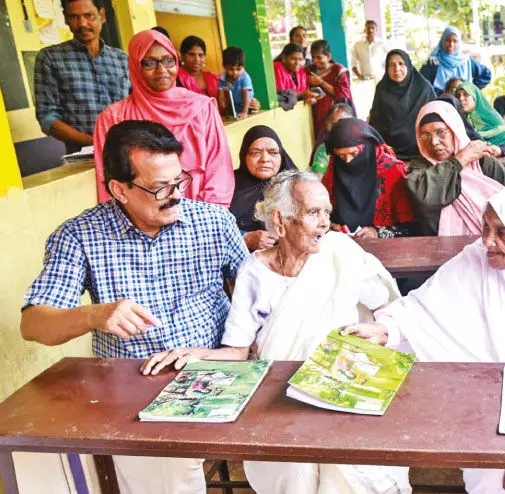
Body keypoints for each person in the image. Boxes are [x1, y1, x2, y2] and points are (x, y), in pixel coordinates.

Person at [140, 170, 412, 494]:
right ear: (280, 221)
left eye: (327, 212)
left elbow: (386, 307)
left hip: (340, 385)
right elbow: (238, 351)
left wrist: (380, 330)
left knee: (348, 461)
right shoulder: (253, 272)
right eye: (313, 213)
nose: (325, 223)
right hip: (278, 398)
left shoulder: (341, 252)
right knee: (293, 468)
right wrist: (196, 354)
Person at [21, 120, 248, 494]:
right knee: (166, 472)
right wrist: (94, 315)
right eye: (160, 188)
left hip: (217, 367)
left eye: (180, 180)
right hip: (136, 384)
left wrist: (233, 351)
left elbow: (256, 295)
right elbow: (34, 324)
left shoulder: (213, 223)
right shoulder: (79, 237)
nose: (175, 194)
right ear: (118, 189)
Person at [343, 185, 505, 494]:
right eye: (485, 228)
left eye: (503, 232)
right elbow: (423, 308)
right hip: (486, 417)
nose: (488, 241)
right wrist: (386, 329)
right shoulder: (475, 260)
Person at [93, 29, 234, 207]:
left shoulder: (201, 108)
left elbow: (219, 170)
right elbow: (107, 182)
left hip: (199, 217)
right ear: (135, 66)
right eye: (149, 63)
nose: (161, 70)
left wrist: (209, 219)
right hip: (140, 222)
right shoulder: (113, 117)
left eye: (168, 61)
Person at [34, 0, 129, 153]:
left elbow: (136, 106)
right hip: (83, 155)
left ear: (102, 16)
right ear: (65, 18)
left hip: (128, 151)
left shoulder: (123, 60)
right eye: (74, 16)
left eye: (88, 15)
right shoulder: (50, 58)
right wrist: (93, 143)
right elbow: (47, 117)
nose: (82, 23)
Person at [406, 101, 505, 236]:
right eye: (425, 135)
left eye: (441, 132)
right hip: (439, 248)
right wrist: (459, 160)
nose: (434, 142)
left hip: (490, 242)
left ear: (454, 130)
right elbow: (423, 196)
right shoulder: (420, 166)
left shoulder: (482, 160)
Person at [322, 118, 417, 239]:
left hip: (385, 249)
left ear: (368, 147)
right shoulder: (334, 168)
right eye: (341, 155)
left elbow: (410, 228)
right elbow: (322, 212)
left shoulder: (392, 171)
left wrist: (378, 232)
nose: (348, 161)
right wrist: (329, 226)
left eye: (354, 153)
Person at [230, 125, 297, 251]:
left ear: (281, 156)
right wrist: (244, 238)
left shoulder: (296, 185)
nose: (265, 159)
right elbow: (215, 230)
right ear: (244, 156)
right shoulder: (227, 186)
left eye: (273, 153)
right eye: (255, 153)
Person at [369, 49, 436, 161]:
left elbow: (435, 117)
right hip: (389, 153)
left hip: (420, 151)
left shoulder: (423, 88)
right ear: (387, 68)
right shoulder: (382, 88)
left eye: (401, 64)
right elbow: (375, 121)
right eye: (392, 65)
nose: (397, 69)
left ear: (408, 65)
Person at [456, 81, 505, 157]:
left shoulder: (490, 116)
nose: (461, 98)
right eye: (458, 96)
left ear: (475, 97)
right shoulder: (456, 120)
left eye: (466, 95)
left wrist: (500, 149)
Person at [420, 27, 492, 93]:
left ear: (459, 43)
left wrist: (471, 90)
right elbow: (422, 82)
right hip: (440, 102)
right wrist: (438, 93)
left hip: (463, 103)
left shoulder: (466, 61)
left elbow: (486, 74)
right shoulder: (433, 62)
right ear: (442, 41)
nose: (451, 44)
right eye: (448, 40)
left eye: (455, 41)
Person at [308, 40, 352, 139]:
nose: (315, 61)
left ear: (328, 56)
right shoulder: (309, 70)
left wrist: (321, 82)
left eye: (319, 57)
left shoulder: (338, 70)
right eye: (313, 57)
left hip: (334, 115)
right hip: (315, 115)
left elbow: (341, 94)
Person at [309, 103, 356, 175]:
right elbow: (317, 175)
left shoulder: (365, 144)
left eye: (344, 123)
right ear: (328, 126)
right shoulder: (324, 149)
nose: (339, 128)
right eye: (334, 124)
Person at [219, 46, 254, 119]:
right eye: (231, 69)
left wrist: (245, 112)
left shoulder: (245, 77)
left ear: (243, 67)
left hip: (247, 106)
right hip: (234, 107)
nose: (235, 72)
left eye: (238, 69)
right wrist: (223, 109)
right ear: (224, 66)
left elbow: (246, 95)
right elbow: (221, 95)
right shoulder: (222, 78)